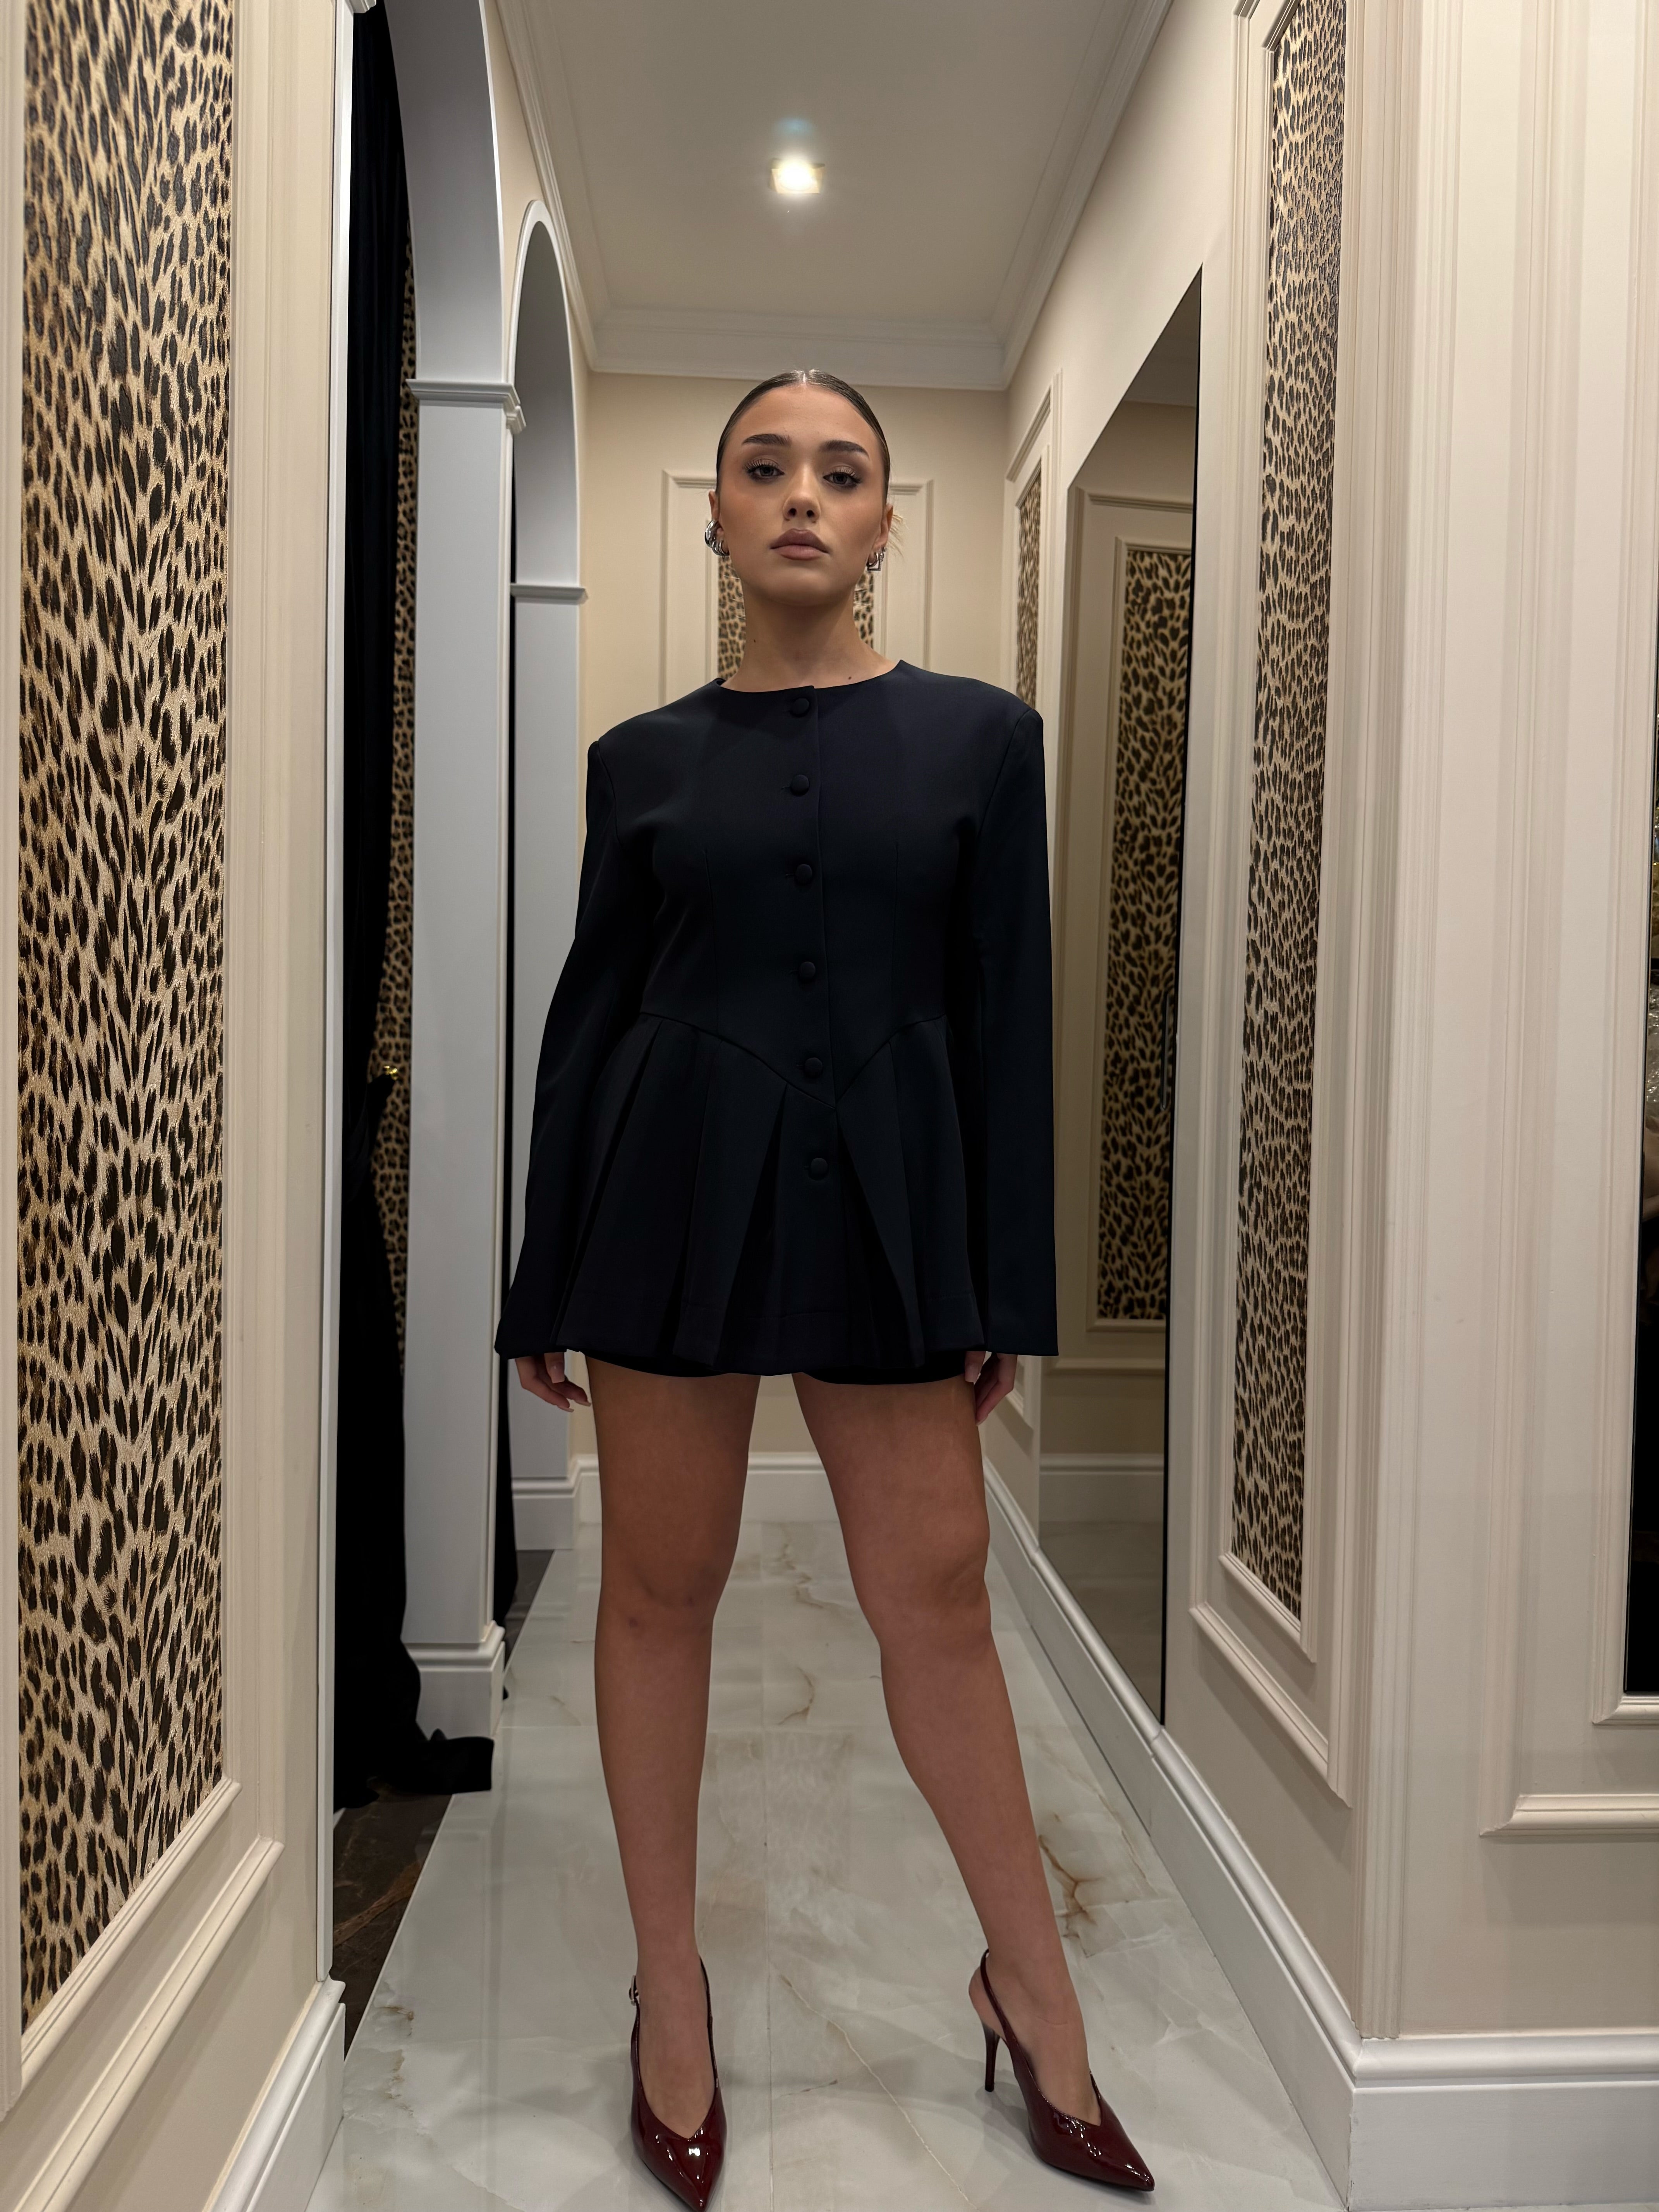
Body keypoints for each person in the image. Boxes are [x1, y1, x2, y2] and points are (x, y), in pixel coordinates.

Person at [498, 369, 1153, 2206]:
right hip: (666, 1192)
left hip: (888, 1205)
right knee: (658, 1592)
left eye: (841, 471)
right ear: (717, 516)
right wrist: (541, 1277)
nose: (802, 493)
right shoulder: (639, 763)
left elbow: (1007, 1023)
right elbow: (588, 1023)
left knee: (934, 1593)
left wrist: (1000, 1281)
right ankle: (673, 1998)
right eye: (765, 467)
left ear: (881, 524)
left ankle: (1031, 1990)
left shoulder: (984, 742)